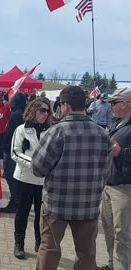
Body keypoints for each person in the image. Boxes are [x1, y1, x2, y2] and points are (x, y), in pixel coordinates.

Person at [32, 86, 110, 270]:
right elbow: (106, 171)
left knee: (49, 250)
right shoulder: (102, 134)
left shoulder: (57, 132)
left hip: (56, 205)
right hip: (88, 206)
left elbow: (38, 167)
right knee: (86, 255)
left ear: (65, 106)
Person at [10, 98, 51, 259]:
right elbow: (15, 152)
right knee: (22, 212)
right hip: (24, 179)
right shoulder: (21, 129)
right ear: (33, 111)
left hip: (44, 181)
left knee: (42, 214)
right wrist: (35, 164)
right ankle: (19, 243)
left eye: (47, 111)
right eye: (42, 110)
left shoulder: (51, 131)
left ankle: (39, 242)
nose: (45, 113)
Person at [99, 88, 131, 270]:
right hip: (110, 184)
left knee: (122, 233)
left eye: (114, 102)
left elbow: (121, 151)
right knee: (110, 230)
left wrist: (122, 153)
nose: (111, 106)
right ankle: (112, 264)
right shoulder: (119, 123)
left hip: (125, 187)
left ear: (126, 103)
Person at [1, 93, 27, 213]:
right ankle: (18, 200)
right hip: (17, 150)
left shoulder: (16, 115)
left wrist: (4, 145)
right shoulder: (23, 114)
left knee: (10, 176)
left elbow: (11, 133)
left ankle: (15, 201)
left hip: (11, 150)